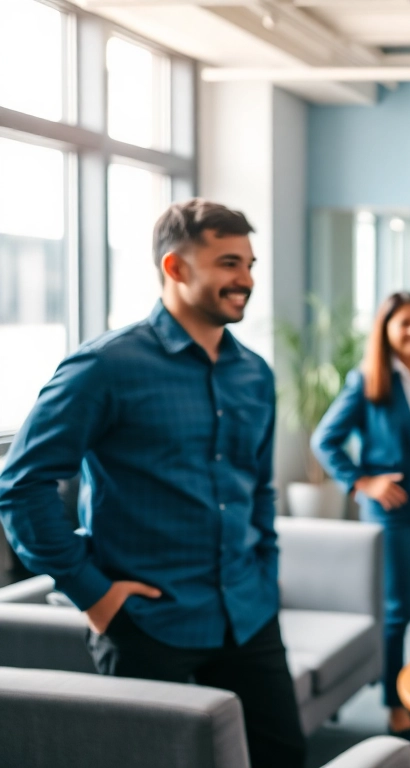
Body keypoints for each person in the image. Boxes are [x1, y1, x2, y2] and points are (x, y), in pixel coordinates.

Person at [0, 199, 305, 768]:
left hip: (247, 611)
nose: (246, 280)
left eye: (250, 264)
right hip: (145, 622)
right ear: (176, 268)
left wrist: (264, 569)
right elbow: (22, 484)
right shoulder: (104, 367)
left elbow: (256, 488)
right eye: (229, 263)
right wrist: (93, 594)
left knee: (282, 756)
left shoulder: (254, 373)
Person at [310, 291, 410, 747]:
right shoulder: (368, 380)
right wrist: (362, 482)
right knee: (398, 610)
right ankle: (397, 706)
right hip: (393, 508)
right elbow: (326, 440)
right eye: (405, 324)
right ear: (387, 331)